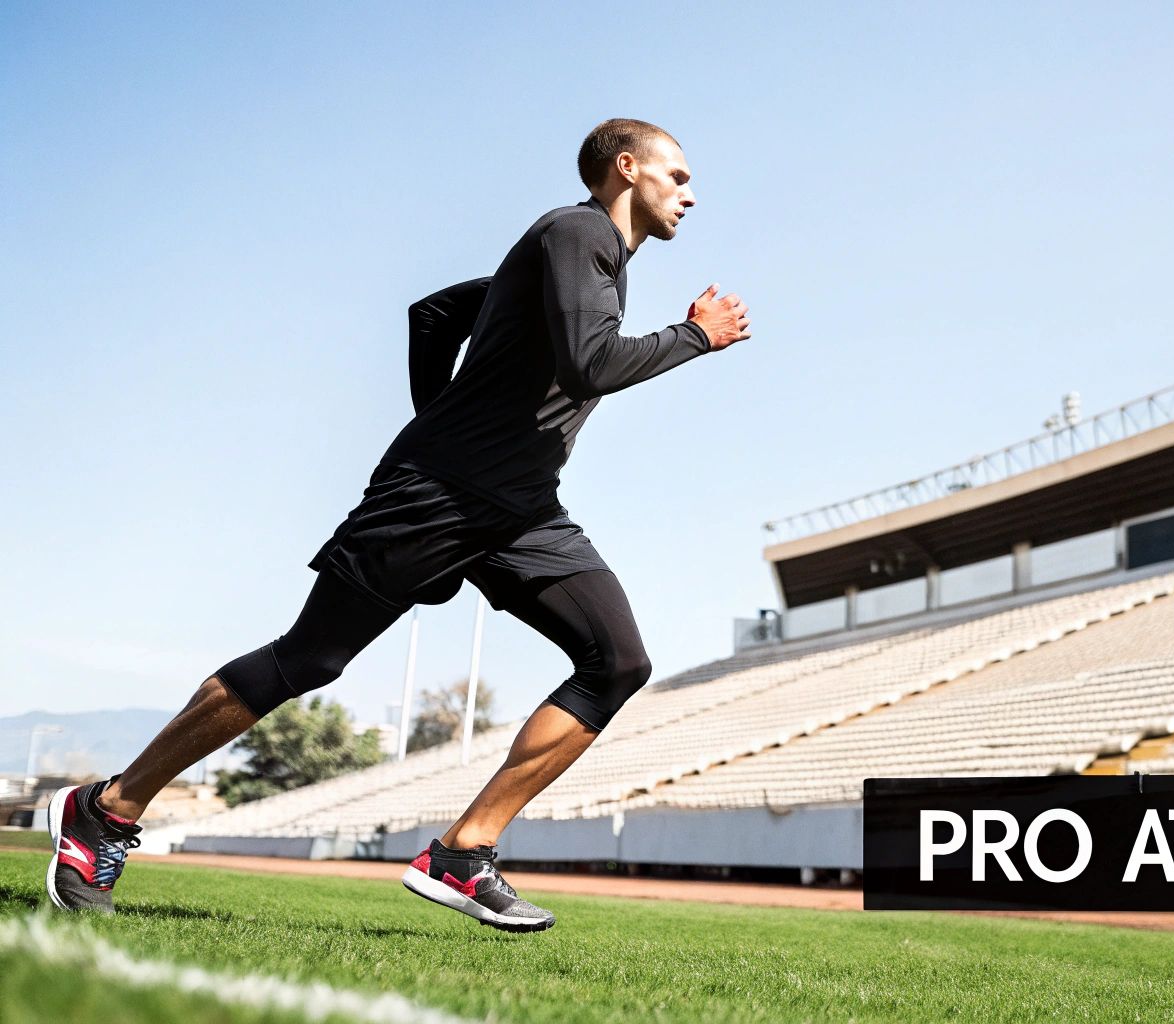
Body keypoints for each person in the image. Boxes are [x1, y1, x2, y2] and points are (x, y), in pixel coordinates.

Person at [44, 118, 751, 932]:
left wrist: (446, 419)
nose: (690, 194)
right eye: (678, 175)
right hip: (438, 496)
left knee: (616, 660)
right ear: (626, 169)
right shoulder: (578, 231)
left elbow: (432, 315)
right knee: (309, 658)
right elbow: (589, 364)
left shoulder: (583, 262)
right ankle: (108, 806)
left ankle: (462, 852)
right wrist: (696, 335)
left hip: (521, 510)